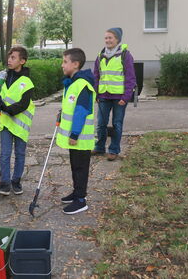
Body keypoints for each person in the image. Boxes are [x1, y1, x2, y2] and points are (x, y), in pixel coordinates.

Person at [0, 46, 35, 196]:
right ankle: (4, 182)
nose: (9, 60)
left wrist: (5, 107)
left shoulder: (26, 81)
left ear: (22, 61)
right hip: (5, 124)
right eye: (9, 57)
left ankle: (16, 181)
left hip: (20, 124)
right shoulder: (2, 76)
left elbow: (24, 104)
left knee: (20, 153)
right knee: (4, 154)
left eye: (13, 57)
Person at [56, 48, 96, 215]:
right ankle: (76, 192)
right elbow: (71, 108)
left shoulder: (82, 85)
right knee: (75, 166)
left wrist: (74, 134)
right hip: (76, 140)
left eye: (65, 61)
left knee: (80, 168)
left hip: (80, 138)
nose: (62, 65)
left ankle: (81, 200)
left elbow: (81, 111)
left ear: (76, 64)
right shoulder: (72, 83)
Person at [92, 27, 136, 161]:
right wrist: (97, 94)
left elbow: (130, 78)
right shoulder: (100, 56)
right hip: (103, 97)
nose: (108, 40)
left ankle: (113, 150)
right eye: (106, 38)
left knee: (117, 124)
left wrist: (126, 97)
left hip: (119, 98)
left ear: (117, 39)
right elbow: (96, 76)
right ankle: (99, 148)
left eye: (110, 37)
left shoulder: (125, 55)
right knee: (101, 124)